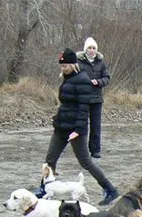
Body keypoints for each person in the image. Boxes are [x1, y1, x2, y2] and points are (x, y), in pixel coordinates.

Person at [44, 48, 119, 206]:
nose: (63, 69)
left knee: (86, 162)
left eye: (65, 66)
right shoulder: (67, 78)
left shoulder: (82, 79)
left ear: (73, 65)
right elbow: (66, 103)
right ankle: (44, 187)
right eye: (61, 66)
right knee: (50, 159)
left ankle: (110, 189)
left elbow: (84, 108)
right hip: (62, 126)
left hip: (75, 129)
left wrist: (78, 131)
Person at [76, 37, 110, 159]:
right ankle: (82, 150)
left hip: (97, 99)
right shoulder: (78, 62)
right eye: (89, 48)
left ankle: (95, 150)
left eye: (94, 48)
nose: (91, 50)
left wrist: (99, 82)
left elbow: (107, 78)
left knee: (96, 126)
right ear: (85, 49)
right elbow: (73, 78)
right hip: (83, 98)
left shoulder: (101, 62)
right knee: (82, 125)